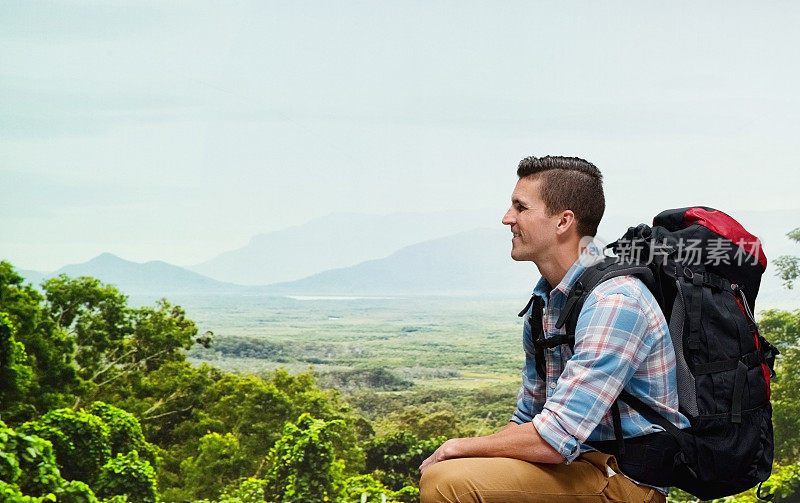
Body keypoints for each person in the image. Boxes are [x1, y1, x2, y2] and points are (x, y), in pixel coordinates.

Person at [418, 156, 690, 503]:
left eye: (521, 207)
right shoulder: (546, 302)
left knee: (448, 483)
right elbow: (527, 418)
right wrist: (470, 454)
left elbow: (554, 438)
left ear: (564, 221)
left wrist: (458, 447)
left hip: (625, 480)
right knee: (452, 471)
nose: (507, 218)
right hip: (576, 465)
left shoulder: (615, 302)